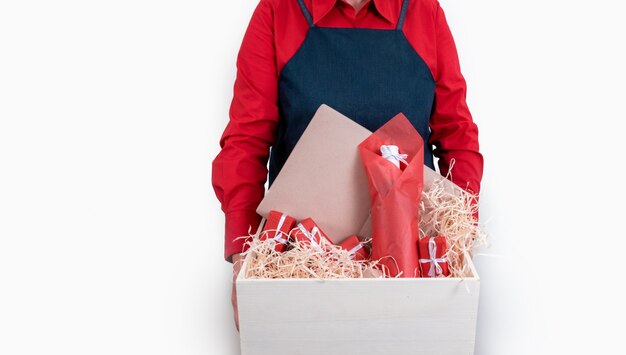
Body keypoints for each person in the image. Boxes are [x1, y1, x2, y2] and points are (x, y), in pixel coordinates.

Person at [212, 0, 484, 330]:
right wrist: (244, 251)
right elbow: (246, 139)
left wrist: (461, 234)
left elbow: (457, 134)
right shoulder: (276, 12)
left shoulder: (424, 13)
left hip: (410, 257)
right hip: (302, 253)